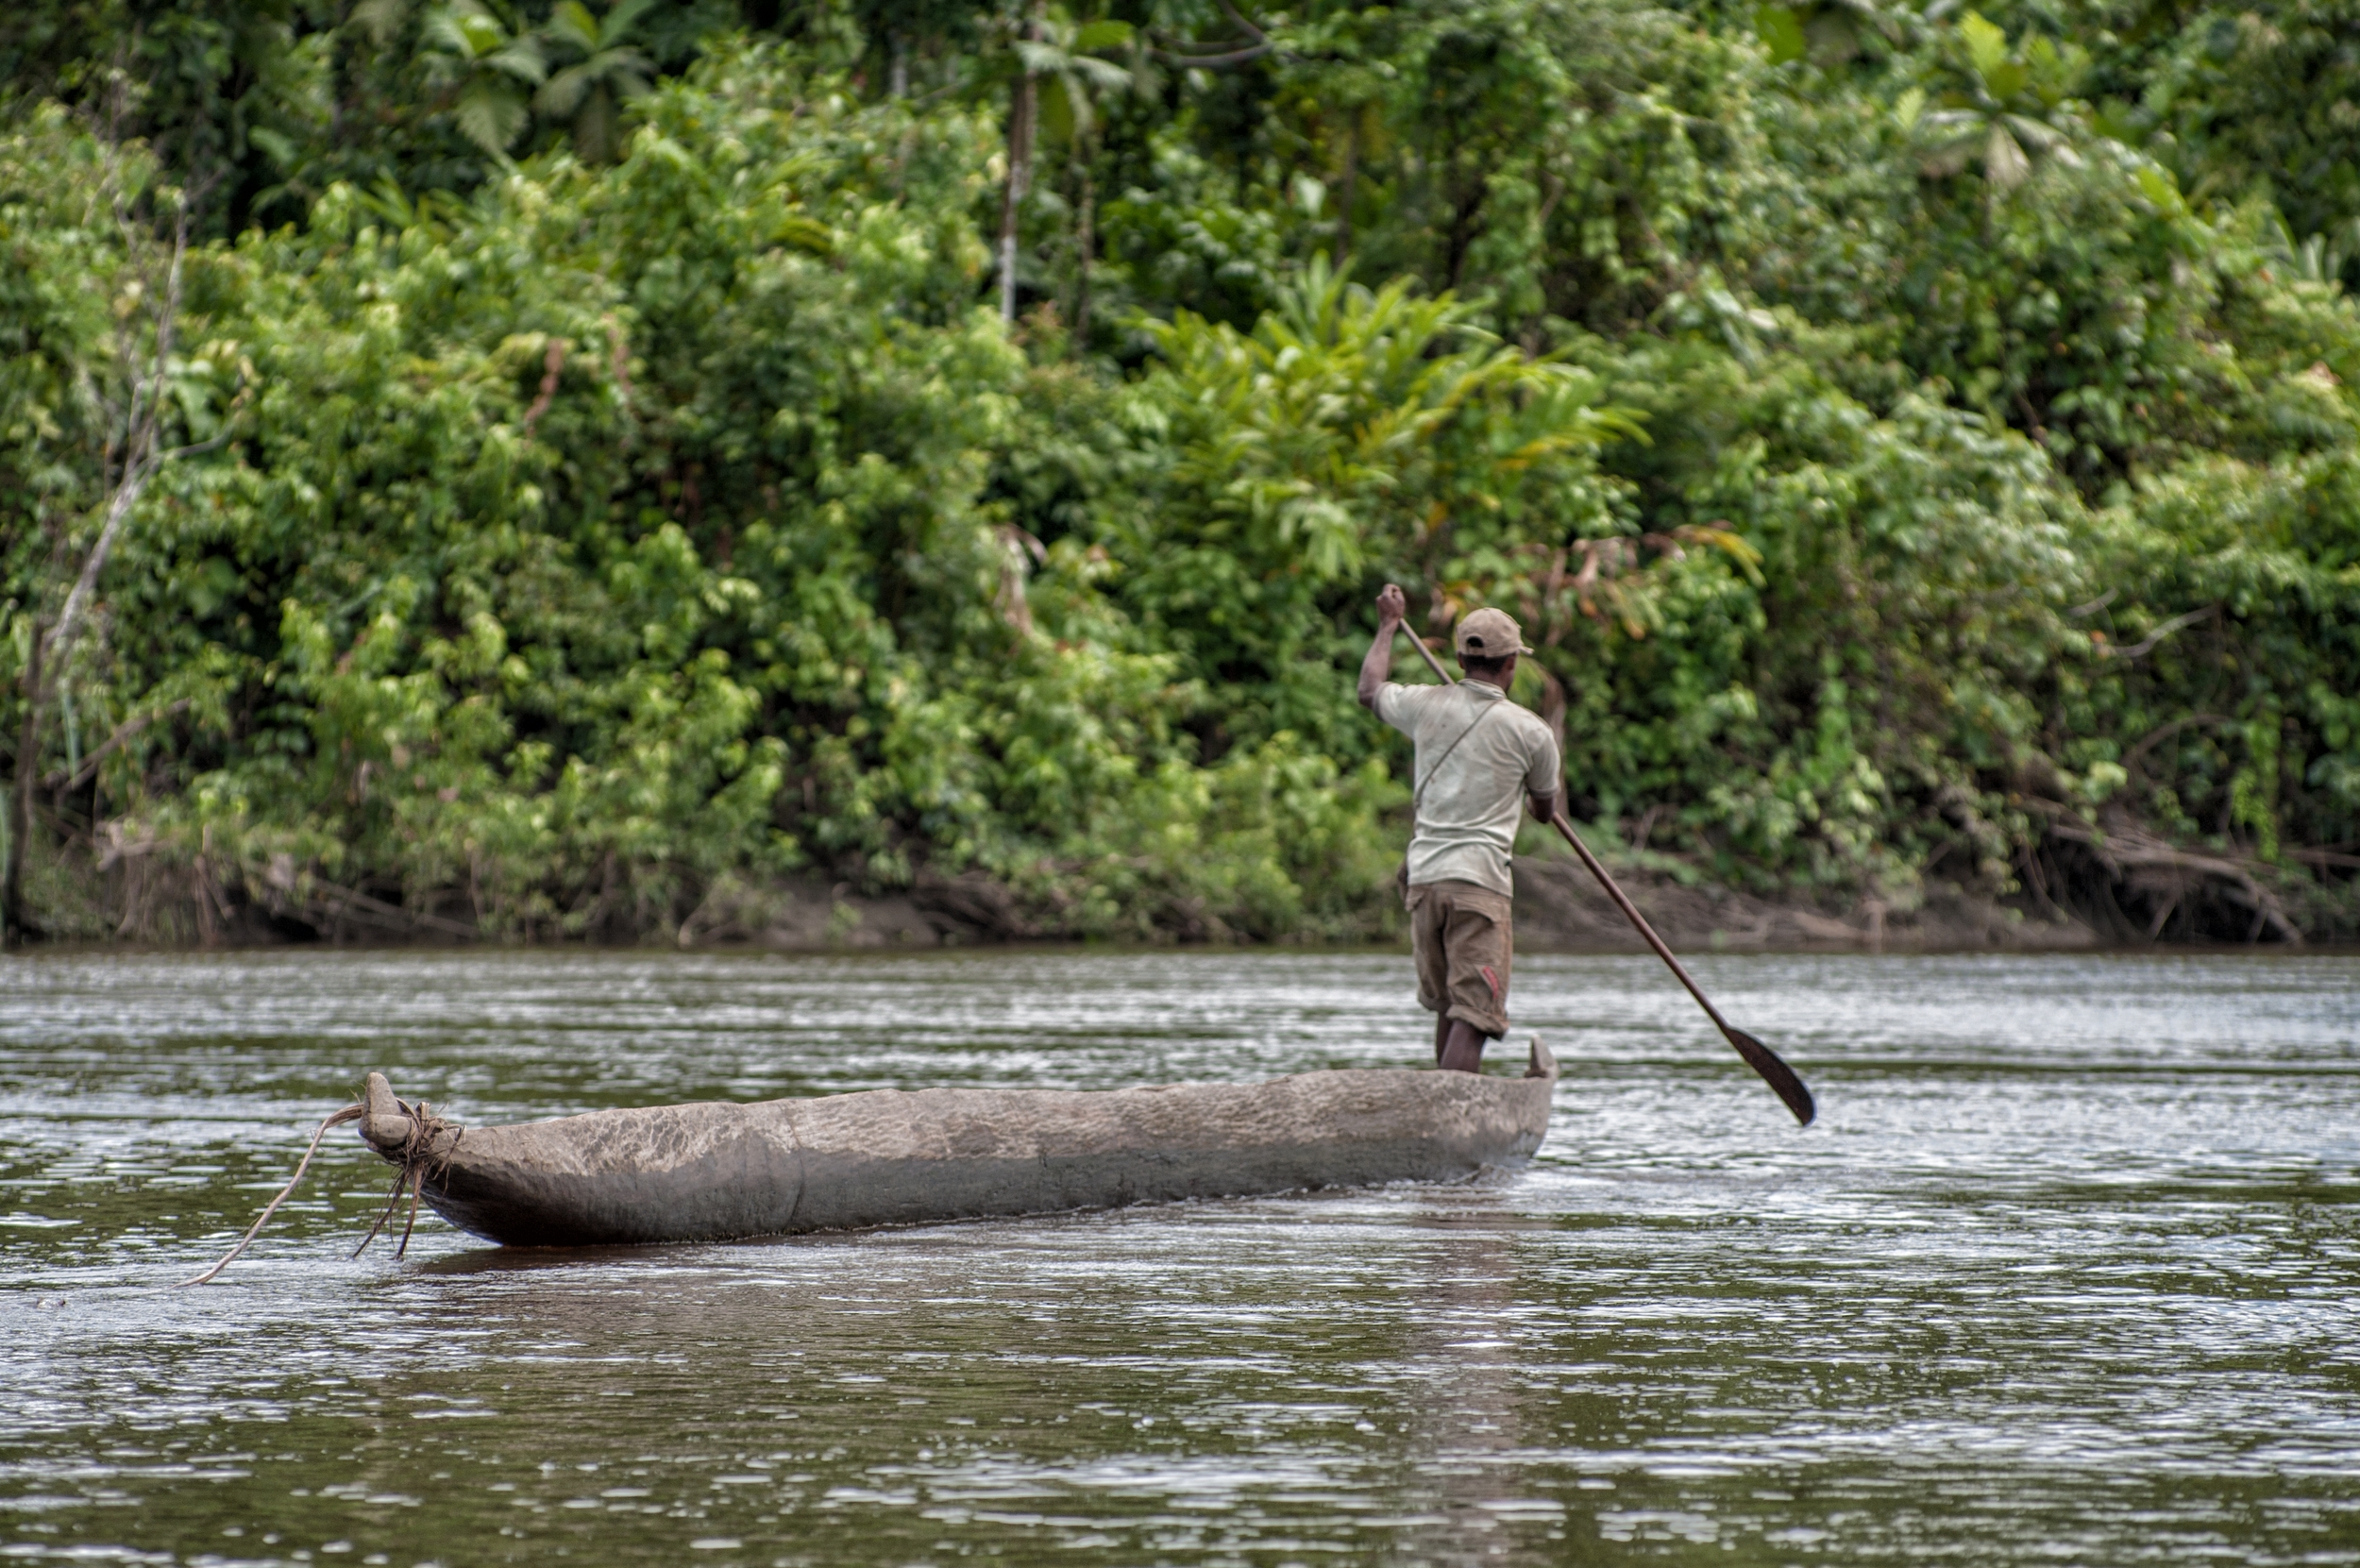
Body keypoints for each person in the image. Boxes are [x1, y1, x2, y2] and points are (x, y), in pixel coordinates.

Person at [1357, 584, 1560, 1073]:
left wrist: (1388, 627)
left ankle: (1442, 1106)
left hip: (1424, 882)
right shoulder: (1532, 732)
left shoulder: (1425, 704)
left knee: (1453, 1005)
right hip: (1479, 884)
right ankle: (1450, 1115)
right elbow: (1544, 810)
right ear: (1511, 664)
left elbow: (1369, 690)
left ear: (1461, 659)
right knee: (1474, 1013)